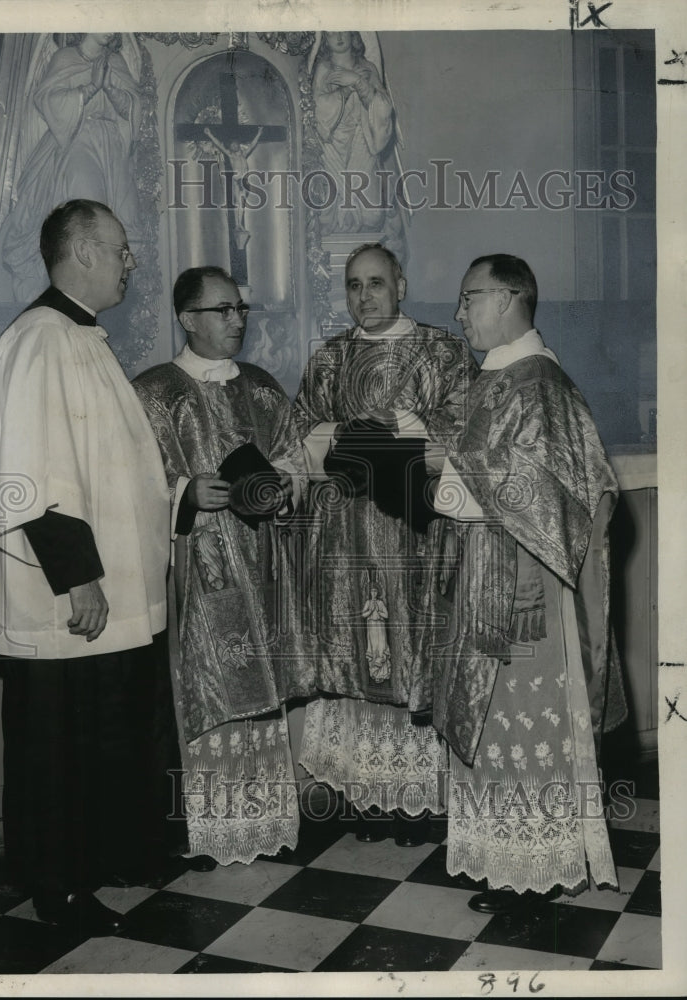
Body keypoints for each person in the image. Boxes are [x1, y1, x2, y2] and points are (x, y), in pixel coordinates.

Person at [0, 200, 183, 935]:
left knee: (94, 740)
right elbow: (34, 470)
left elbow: (113, 469)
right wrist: (78, 574)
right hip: (68, 592)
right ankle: (54, 886)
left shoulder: (80, 336)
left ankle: (91, 868)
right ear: (83, 251)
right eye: (122, 249)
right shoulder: (40, 337)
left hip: (101, 586)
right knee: (54, 746)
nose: (131, 263)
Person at [418, 254, 627, 911]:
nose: (460, 313)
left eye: (469, 297)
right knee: (493, 729)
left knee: (523, 727)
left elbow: (564, 493)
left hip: (525, 589)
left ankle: (538, 864)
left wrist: (448, 468)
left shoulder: (541, 382)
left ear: (510, 298)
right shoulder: (493, 379)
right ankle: (501, 855)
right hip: (482, 577)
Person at [294, 243, 477, 845]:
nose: (364, 296)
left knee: (416, 652)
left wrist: (403, 429)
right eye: (353, 285)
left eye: (375, 282)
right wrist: (339, 442)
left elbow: (469, 427)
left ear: (401, 281)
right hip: (346, 540)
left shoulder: (443, 351)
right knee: (360, 653)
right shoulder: (329, 360)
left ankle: (421, 802)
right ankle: (367, 797)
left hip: (416, 535)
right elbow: (301, 438)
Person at [133, 267, 309, 869]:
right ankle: (207, 829)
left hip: (262, 564)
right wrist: (185, 492)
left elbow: (295, 456)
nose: (237, 321)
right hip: (197, 568)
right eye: (222, 310)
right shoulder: (153, 392)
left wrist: (286, 484)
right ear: (188, 319)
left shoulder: (260, 386)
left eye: (240, 308)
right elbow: (125, 483)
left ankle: (265, 821)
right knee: (206, 687)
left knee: (262, 686)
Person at [3, 33, 142, 300]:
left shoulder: (116, 61)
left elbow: (132, 108)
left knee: (123, 218)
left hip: (110, 147)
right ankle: (76, 292)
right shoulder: (65, 57)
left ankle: (102, 291)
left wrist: (110, 88)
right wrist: (90, 88)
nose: (111, 28)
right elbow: (45, 98)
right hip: (77, 140)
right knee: (88, 212)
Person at [311, 31, 395, 235]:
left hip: (362, 141)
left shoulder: (368, 68)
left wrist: (359, 82)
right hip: (331, 146)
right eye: (332, 34)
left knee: (373, 215)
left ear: (353, 36)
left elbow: (383, 107)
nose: (339, 38)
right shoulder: (324, 68)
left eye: (343, 32)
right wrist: (345, 90)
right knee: (325, 217)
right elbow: (316, 108)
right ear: (325, 40)